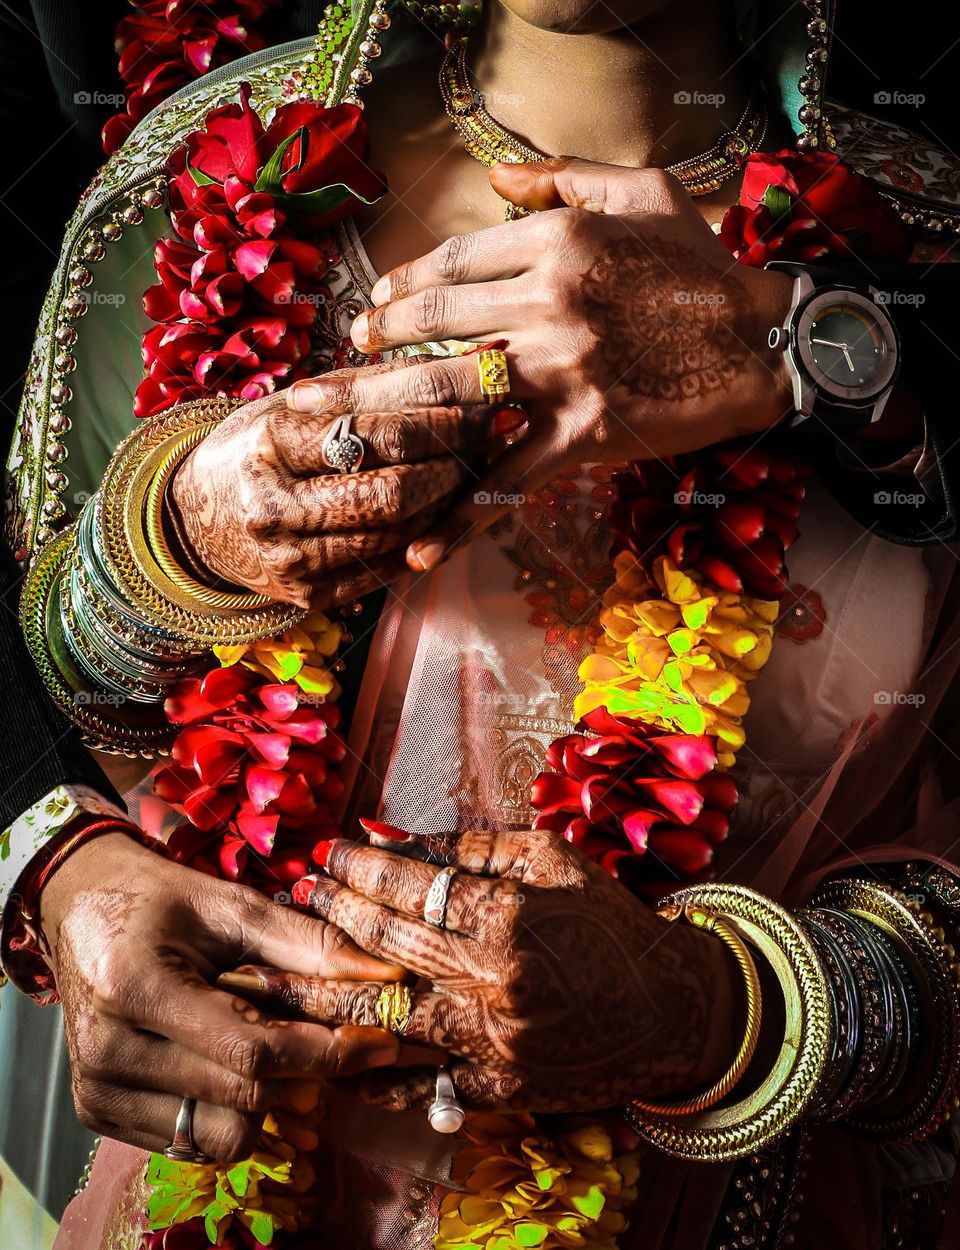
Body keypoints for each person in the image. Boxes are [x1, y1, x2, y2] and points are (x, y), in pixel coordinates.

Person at [4, 0, 960, 1248]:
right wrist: (170, 552)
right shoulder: (198, 183)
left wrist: (715, 1013)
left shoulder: (916, 273)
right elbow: (72, 713)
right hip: (226, 1197)